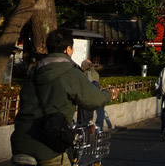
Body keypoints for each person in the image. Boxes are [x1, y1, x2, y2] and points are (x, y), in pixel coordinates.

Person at [11, 29, 115, 166]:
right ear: (67, 49)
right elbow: (94, 100)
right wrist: (109, 94)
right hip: (48, 144)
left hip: (20, 141)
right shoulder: (70, 72)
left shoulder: (34, 71)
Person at [76, 59, 101, 126]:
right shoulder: (96, 73)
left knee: (82, 123)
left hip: (84, 101)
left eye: (82, 66)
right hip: (92, 102)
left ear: (85, 66)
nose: (81, 67)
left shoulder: (86, 73)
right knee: (89, 122)